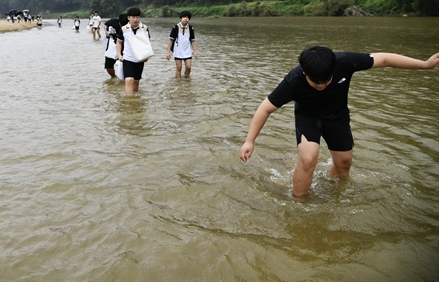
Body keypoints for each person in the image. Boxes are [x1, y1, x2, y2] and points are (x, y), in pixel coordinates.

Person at [239, 46, 439, 197]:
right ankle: (299, 201)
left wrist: (425, 64)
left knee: (344, 164)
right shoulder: (293, 80)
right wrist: (250, 141)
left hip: (337, 116)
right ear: (305, 72)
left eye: (326, 81)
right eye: (315, 82)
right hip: (309, 117)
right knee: (309, 157)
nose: (321, 86)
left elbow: (385, 59)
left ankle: (334, 193)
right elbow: (265, 108)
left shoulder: (344, 61)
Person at [116, 7, 152, 96]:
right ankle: (129, 102)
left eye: (137, 17)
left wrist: (146, 55)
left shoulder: (144, 28)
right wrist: (119, 55)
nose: (136, 19)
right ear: (128, 18)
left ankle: (135, 99)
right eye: (133, 17)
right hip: (128, 58)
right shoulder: (124, 29)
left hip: (140, 58)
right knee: (128, 80)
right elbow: (119, 42)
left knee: (136, 81)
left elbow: (147, 43)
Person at [166, 10, 198, 78]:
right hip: (178, 50)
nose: (186, 19)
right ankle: (178, 84)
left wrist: (195, 51)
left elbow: (192, 41)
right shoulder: (175, 27)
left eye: (187, 17)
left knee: (188, 67)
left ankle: (186, 82)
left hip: (187, 51)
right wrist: (168, 52)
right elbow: (171, 39)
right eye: (184, 17)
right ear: (180, 18)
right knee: (179, 67)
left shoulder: (190, 28)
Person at [104, 14, 128, 78]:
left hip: (125, 46)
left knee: (125, 65)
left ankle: (124, 78)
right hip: (112, 46)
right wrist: (106, 32)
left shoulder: (130, 27)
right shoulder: (113, 21)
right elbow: (106, 24)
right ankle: (113, 77)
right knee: (108, 66)